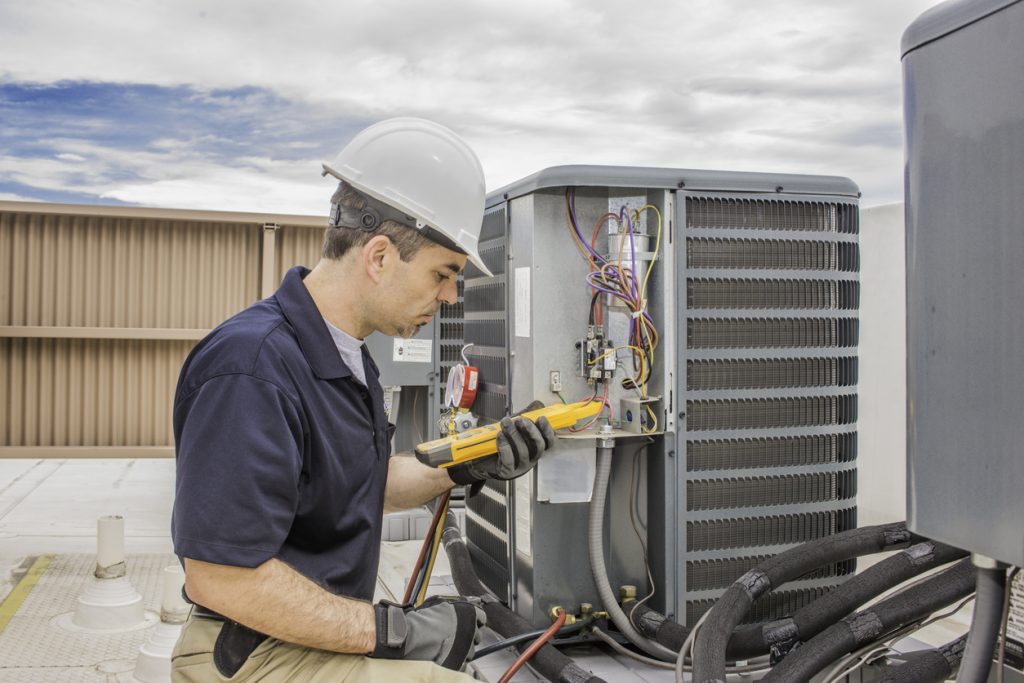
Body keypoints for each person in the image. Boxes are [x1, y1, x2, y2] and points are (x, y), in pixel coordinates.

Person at [170, 118, 556, 682]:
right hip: (250, 652)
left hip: (302, 636)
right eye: (443, 274)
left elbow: (362, 488)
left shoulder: (344, 356)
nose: (449, 297)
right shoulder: (252, 369)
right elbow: (221, 576)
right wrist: (391, 631)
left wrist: (471, 459)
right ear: (379, 257)